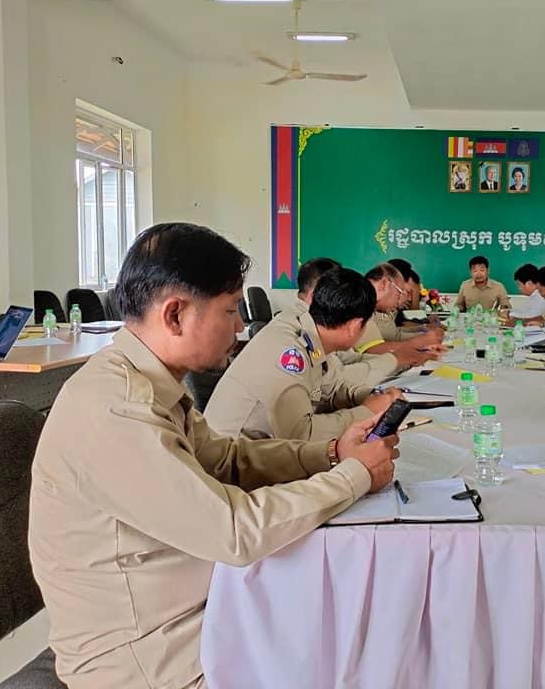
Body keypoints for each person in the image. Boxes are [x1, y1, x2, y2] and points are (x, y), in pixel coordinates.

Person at [28, 223, 399, 689]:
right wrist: (354, 476)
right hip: (152, 661)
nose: (241, 325)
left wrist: (331, 453)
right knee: (362, 651)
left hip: (196, 613)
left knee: (358, 627)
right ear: (175, 315)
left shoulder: (149, 382)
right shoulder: (116, 408)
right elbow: (235, 531)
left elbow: (227, 460)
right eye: (229, 309)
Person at [205, 268, 402, 441]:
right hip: (231, 458)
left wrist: (371, 396)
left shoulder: (309, 331)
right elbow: (302, 435)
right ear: (355, 326)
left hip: (258, 450)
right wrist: (367, 412)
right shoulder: (290, 353)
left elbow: (330, 388)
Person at [294, 257, 399, 386]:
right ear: (318, 291)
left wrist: (395, 360)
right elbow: (334, 380)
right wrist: (396, 361)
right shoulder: (300, 329)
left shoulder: (320, 321)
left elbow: (349, 358)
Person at [359, 263, 445, 365]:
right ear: (384, 284)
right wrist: (419, 342)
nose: (400, 299)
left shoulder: (370, 306)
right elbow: (371, 350)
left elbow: (374, 344)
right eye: (400, 292)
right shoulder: (360, 303)